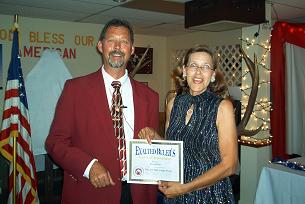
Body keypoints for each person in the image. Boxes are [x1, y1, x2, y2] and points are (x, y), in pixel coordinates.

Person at [45, 18, 159, 204]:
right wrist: (88, 166)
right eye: (111, 40)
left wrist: (158, 141)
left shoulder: (150, 96)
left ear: (131, 49)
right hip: (91, 192)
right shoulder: (75, 89)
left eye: (124, 42)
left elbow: (153, 145)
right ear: (100, 46)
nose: (117, 47)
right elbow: (55, 143)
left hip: (138, 194)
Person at [139, 45, 237, 203]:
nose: (198, 72)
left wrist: (186, 187)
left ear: (212, 74)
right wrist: (154, 136)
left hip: (210, 194)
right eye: (193, 65)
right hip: (176, 191)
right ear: (184, 71)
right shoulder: (173, 103)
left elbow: (230, 165)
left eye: (205, 67)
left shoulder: (222, 107)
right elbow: (173, 149)